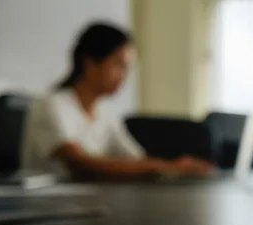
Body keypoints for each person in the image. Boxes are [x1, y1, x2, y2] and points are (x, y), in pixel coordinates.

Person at [21, 22, 214, 180]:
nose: (124, 76)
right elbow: (81, 165)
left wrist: (177, 167)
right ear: (90, 63)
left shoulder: (104, 113)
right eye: (119, 65)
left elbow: (136, 159)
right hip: (47, 213)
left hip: (87, 206)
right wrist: (167, 167)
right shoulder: (52, 105)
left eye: (128, 68)